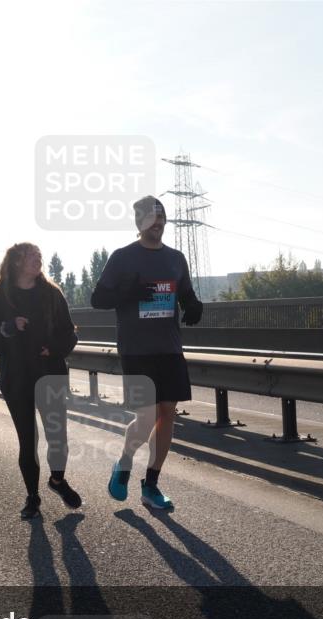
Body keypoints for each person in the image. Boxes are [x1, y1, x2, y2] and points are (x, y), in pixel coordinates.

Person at [90, 196, 203, 511]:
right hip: (137, 349)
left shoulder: (176, 259)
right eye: (152, 218)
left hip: (169, 347)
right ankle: (124, 463)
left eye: (161, 217)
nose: (158, 223)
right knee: (148, 415)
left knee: (168, 412)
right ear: (139, 222)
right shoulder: (123, 258)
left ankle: (151, 485)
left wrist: (193, 304)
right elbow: (98, 298)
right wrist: (129, 292)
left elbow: (185, 293)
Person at [0, 242, 81, 520]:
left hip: (51, 375)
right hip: (17, 378)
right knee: (28, 439)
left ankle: (57, 481)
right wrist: (9, 328)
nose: (38, 258)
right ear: (16, 263)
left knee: (57, 437)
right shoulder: (0, 298)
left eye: (39, 255)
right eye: (31, 255)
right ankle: (32, 498)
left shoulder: (52, 294)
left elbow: (70, 333)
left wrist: (55, 349)